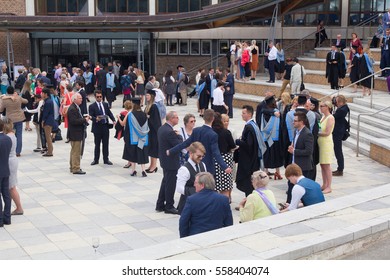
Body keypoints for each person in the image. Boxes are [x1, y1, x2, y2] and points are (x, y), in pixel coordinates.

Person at [168, 109, 232, 177]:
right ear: (213, 119)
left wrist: (171, 151)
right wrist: (225, 167)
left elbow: (185, 143)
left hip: (195, 165)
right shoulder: (213, 135)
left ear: (203, 118)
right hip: (207, 168)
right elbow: (216, 153)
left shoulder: (196, 130)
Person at [179, 172, 233, 238]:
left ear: (202, 185)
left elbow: (183, 221)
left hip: (196, 237)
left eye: (196, 183)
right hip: (217, 236)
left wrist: (184, 238)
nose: (194, 185)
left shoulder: (191, 200)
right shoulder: (223, 199)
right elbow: (228, 221)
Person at [156, 111, 183, 214]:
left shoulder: (162, 128)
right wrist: (179, 136)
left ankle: (160, 204)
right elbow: (179, 145)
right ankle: (169, 206)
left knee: (165, 182)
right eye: (176, 117)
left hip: (164, 160)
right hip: (171, 162)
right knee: (170, 184)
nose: (178, 119)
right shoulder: (170, 132)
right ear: (171, 119)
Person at [236, 105, 265, 197]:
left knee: (248, 183)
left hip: (248, 161)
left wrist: (237, 141)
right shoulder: (254, 125)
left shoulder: (249, 127)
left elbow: (249, 145)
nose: (242, 115)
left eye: (244, 113)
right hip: (253, 159)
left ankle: (249, 201)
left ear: (249, 114)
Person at [286, 111, 314, 203]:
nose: (293, 122)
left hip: (303, 167)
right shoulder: (296, 132)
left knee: (301, 189)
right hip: (295, 165)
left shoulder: (307, 134)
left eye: (295, 121)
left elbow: (309, 151)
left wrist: (294, 151)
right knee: (290, 186)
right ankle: (288, 203)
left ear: (301, 122)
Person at [119, 97, 149, 177]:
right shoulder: (144, 114)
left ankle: (133, 170)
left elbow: (128, 128)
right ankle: (143, 170)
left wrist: (126, 138)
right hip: (142, 138)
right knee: (142, 153)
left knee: (132, 154)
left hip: (133, 138)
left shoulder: (131, 115)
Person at [176, 142, 206, 214]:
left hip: (201, 202)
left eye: (202, 156)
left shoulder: (203, 165)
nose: (201, 158)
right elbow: (179, 188)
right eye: (198, 156)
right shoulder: (184, 169)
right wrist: (196, 191)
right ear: (191, 153)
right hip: (188, 203)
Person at [212, 113, 236, 200]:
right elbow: (232, 146)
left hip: (213, 160)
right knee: (225, 186)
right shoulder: (226, 132)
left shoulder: (210, 132)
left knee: (214, 184)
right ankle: (225, 203)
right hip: (226, 159)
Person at [3, 118, 24, 215]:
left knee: (11, 187)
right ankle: (9, 207)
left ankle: (19, 208)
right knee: (10, 186)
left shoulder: (8, 136)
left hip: (9, 161)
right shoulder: (12, 134)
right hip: (12, 160)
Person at [89, 90, 115, 166]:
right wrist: (95, 119)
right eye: (98, 97)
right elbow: (90, 116)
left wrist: (113, 120)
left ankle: (106, 159)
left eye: (100, 97)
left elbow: (109, 113)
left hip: (105, 126)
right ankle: (96, 159)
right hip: (97, 127)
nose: (99, 98)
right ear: (95, 97)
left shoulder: (105, 104)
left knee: (106, 144)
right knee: (97, 144)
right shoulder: (92, 106)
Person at [0, 86, 28, 157]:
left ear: (7, 92)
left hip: (10, 119)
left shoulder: (5, 100)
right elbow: (26, 101)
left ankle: (10, 150)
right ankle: (18, 151)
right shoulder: (18, 98)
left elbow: (1, 110)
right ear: (14, 91)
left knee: (9, 135)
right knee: (19, 135)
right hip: (19, 118)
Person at [261, 96, 283, 180]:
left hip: (266, 137)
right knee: (276, 155)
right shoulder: (276, 112)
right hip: (275, 137)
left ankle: (266, 171)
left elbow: (263, 110)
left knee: (267, 155)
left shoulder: (265, 113)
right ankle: (278, 172)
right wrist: (274, 112)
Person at [67, 93, 90, 175]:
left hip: (76, 132)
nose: (81, 99)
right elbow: (73, 121)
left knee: (74, 150)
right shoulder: (72, 109)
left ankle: (72, 166)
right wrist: (84, 120)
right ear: (74, 99)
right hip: (75, 133)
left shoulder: (76, 107)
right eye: (80, 98)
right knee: (76, 151)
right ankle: (76, 168)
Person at [318, 101, 335, 194]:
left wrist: (316, 133)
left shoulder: (330, 118)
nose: (320, 108)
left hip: (326, 143)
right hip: (321, 142)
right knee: (322, 164)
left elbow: (327, 132)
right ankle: (324, 184)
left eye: (322, 106)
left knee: (327, 164)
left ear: (327, 107)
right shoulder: (323, 117)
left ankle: (329, 186)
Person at [144, 90, 162, 173]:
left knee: (154, 149)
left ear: (152, 96)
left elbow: (156, 121)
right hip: (149, 131)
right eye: (146, 95)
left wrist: (148, 117)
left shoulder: (154, 107)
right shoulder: (148, 105)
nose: (146, 96)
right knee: (151, 149)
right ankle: (151, 165)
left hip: (154, 132)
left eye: (148, 95)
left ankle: (154, 166)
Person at [332, 95, 349, 177]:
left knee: (338, 150)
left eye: (337, 101)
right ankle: (339, 168)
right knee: (337, 150)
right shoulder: (343, 107)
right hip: (338, 131)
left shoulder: (342, 110)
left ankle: (340, 169)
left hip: (338, 132)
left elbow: (334, 117)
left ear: (340, 102)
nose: (336, 103)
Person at [0, 118, 12, 227]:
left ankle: (0, 219)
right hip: (5, 170)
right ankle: (7, 218)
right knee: (6, 195)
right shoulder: (8, 139)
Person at [40, 88, 58, 157]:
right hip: (49, 120)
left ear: (45, 94)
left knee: (48, 137)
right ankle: (50, 149)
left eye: (42, 93)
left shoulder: (48, 102)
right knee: (48, 136)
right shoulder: (49, 101)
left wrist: (43, 121)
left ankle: (50, 151)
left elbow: (46, 113)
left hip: (48, 121)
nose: (41, 94)